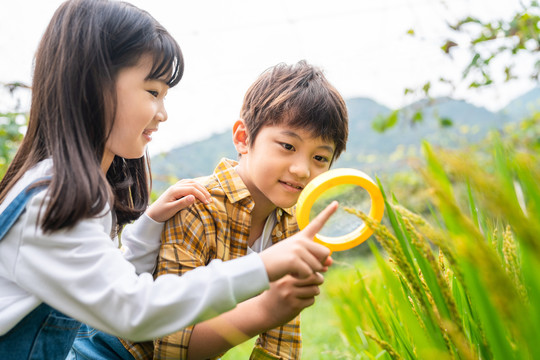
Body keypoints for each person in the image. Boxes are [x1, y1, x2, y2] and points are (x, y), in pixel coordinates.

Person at [0, 1, 337, 359]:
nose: (162, 114)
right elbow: (135, 310)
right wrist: (263, 267)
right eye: (152, 92)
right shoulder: (51, 200)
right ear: (92, 85)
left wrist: (147, 227)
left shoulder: (68, 192)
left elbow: (103, 281)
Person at [114, 61, 349, 360]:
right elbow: (170, 349)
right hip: (109, 350)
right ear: (243, 138)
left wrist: (277, 310)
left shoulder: (292, 226)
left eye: (319, 157)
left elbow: (282, 341)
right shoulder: (198, 207)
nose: (302, 170)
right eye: (288, 146)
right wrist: (267, 309)